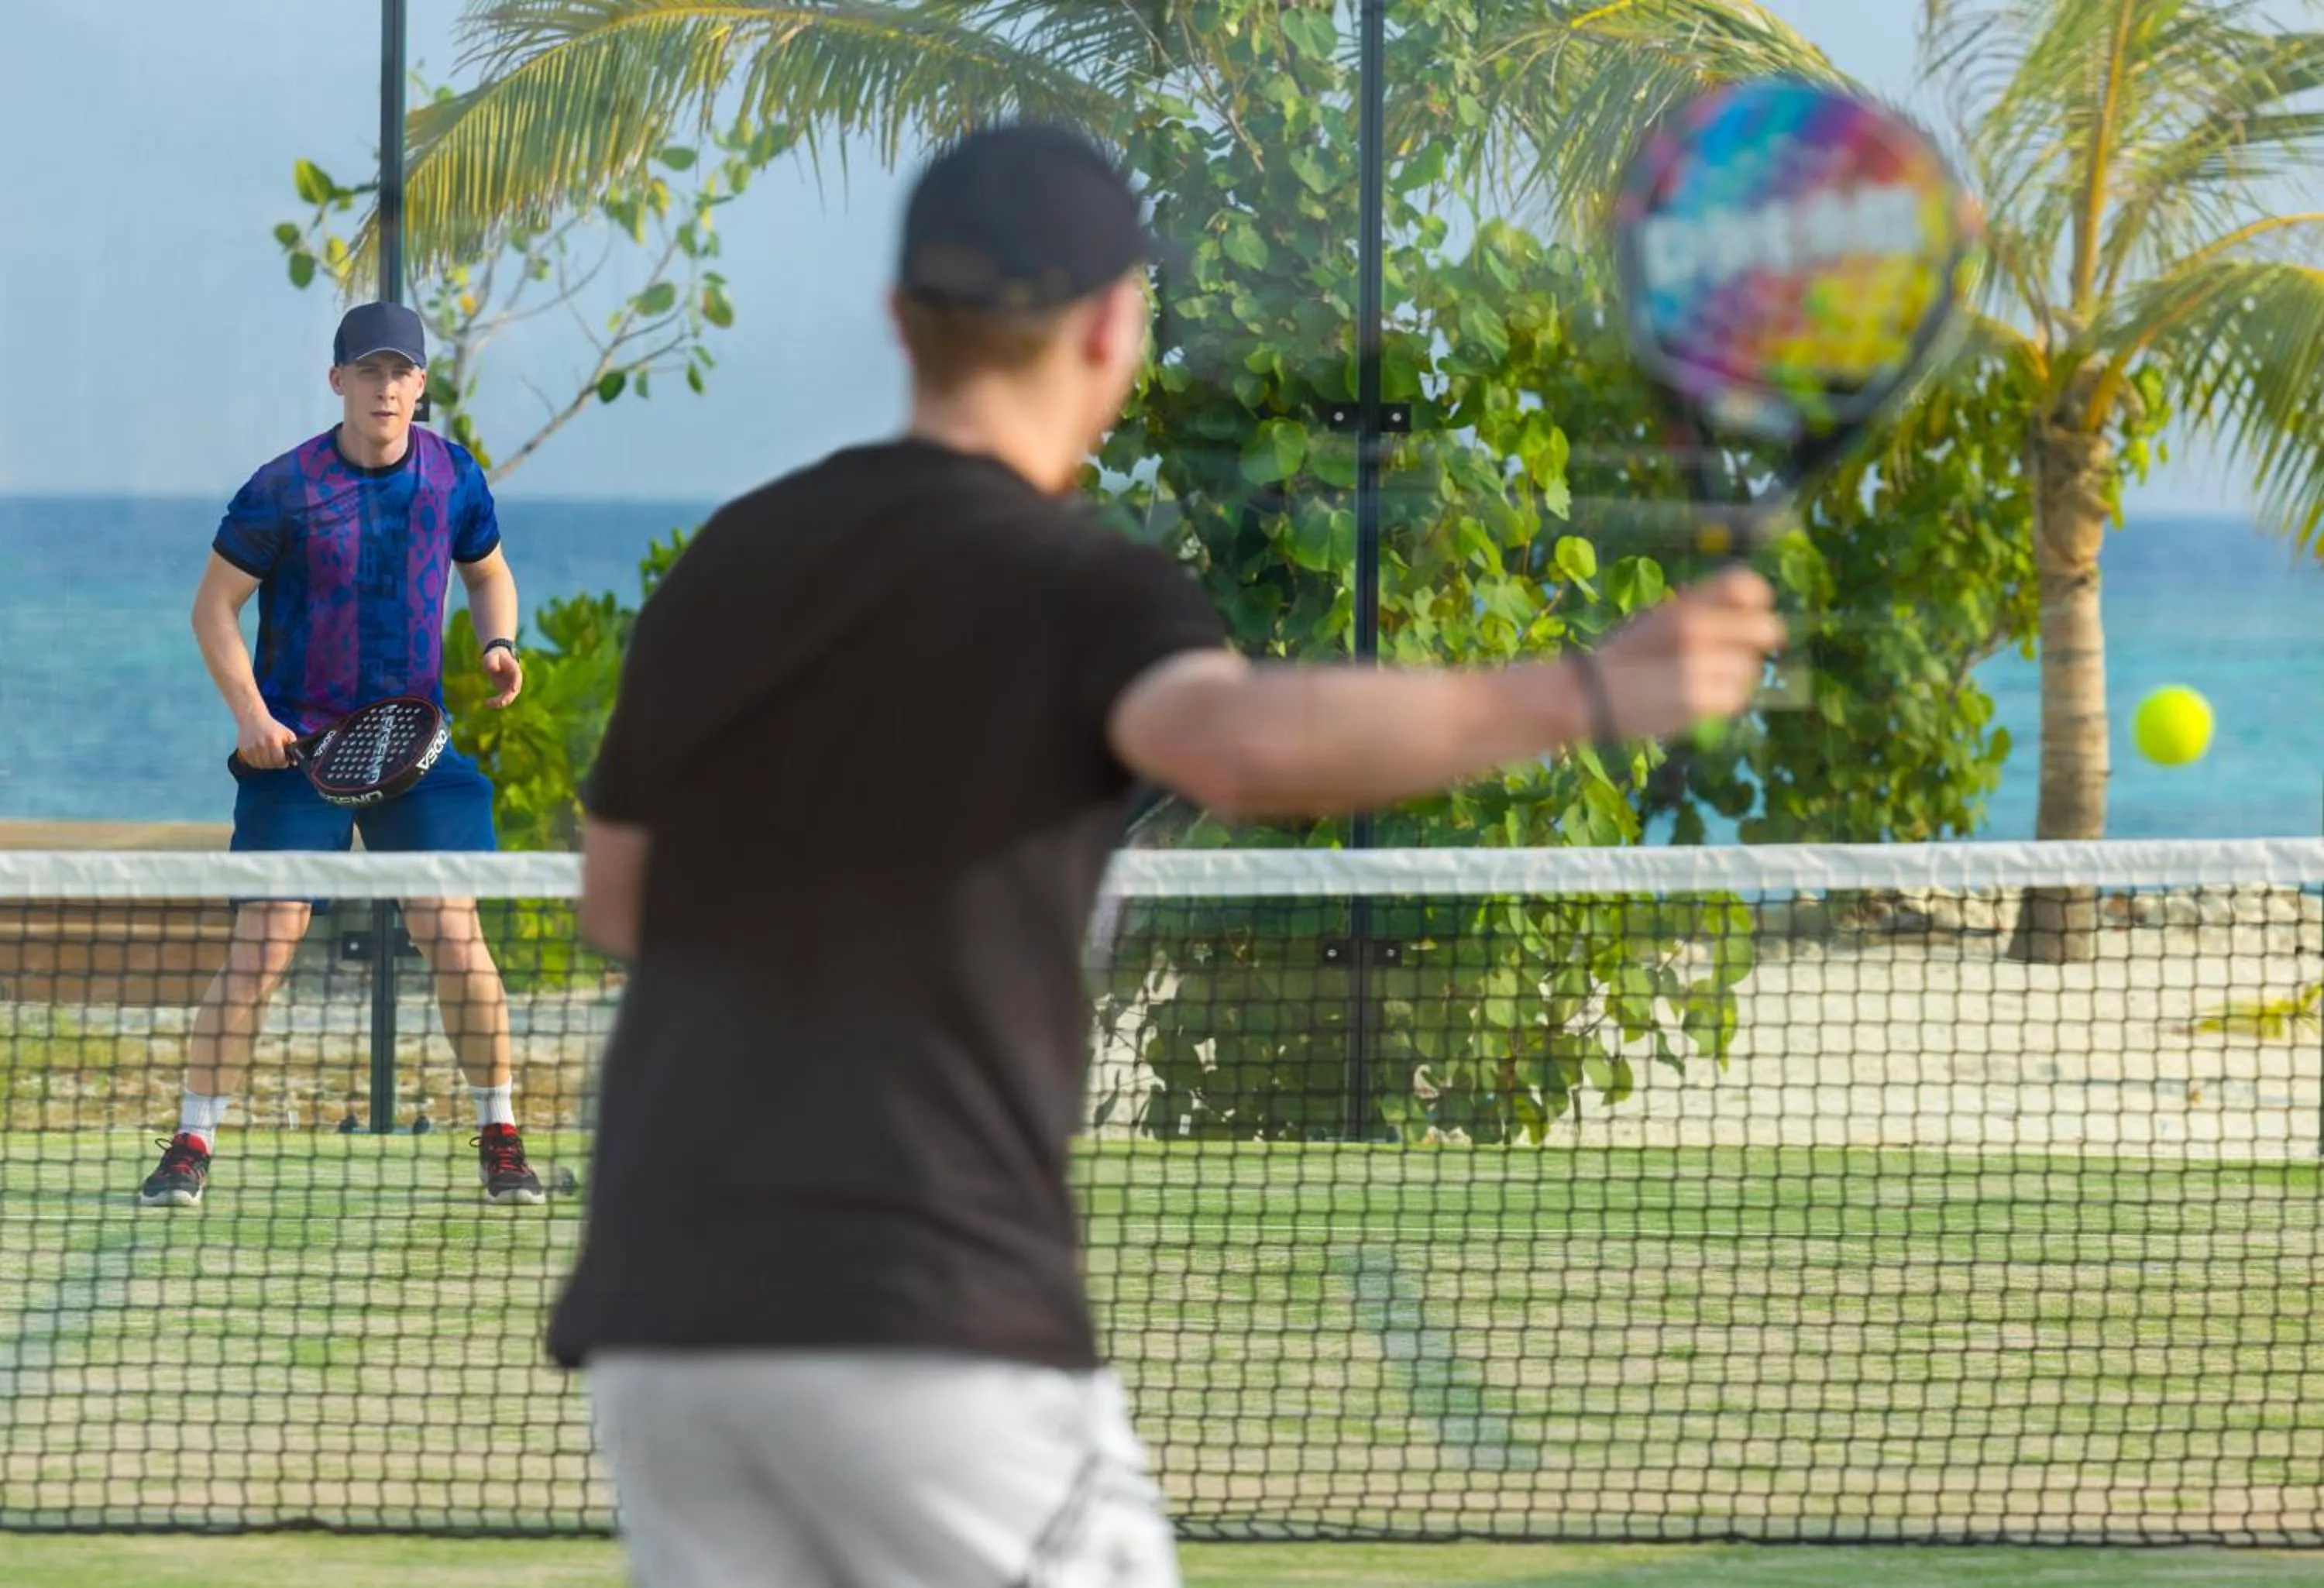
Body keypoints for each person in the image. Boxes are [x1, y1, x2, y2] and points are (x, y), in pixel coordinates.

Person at [551, 123, 1786, 1587]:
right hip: (917, 1318)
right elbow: (1236, 743)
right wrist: (1590, 690)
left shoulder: (732, 563)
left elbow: (621, 900)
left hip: (664, 1322)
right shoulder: (1079, 582)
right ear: (1115, 327)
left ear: (899, 320)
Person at [136, 301, 545, 1211]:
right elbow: (213, 609)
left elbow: (488, 571)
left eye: (401, 372)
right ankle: (193, 1140)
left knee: (453, 933)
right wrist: (250, 714)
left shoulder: (452, 476)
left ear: (422, 385)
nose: (386, 387)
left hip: (416, 744)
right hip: (298, 754)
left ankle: (502, 1132)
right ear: (338, 382)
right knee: (263, 944)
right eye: (368, 371)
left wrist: (497, 644)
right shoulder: (283, 489)